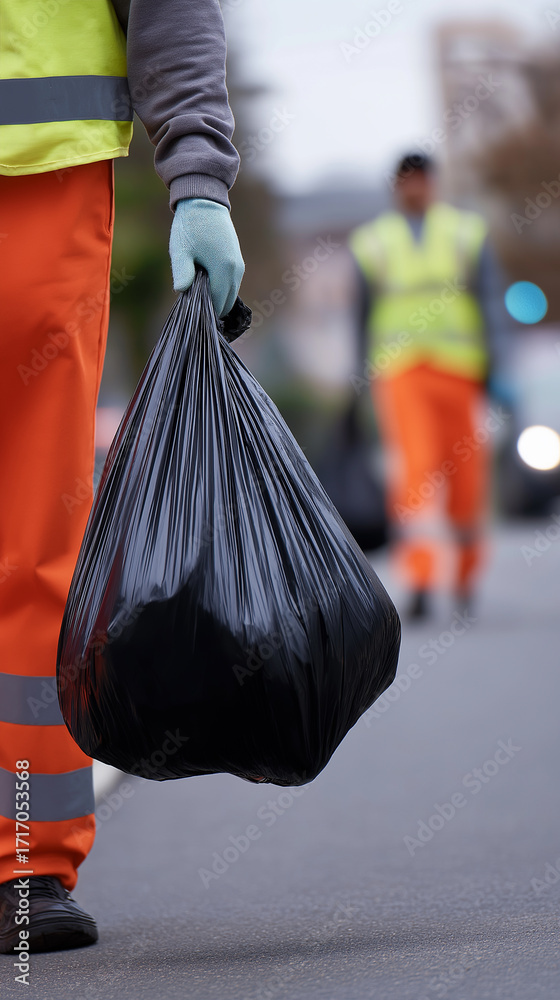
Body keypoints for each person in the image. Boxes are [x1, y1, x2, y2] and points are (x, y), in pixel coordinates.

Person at [0, 0, 245, 954]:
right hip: (48, 197)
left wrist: (199, 178)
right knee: (31, 554)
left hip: (43, 193)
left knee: (33, 550)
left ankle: (24, 859)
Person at [349, 153, 508, 619]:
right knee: (414, 473)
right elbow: (361, 316)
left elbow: (490, 302)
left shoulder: (466, 233)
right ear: (396, 185)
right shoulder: (374, 242)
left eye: (421, 179)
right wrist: (357, 379)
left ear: (433, 183)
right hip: (401, 371)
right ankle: (419, 579)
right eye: (407, 180)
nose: (414, 187)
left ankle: (465, 576)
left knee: (466, 474)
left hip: (460, 369)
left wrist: (498, 366)